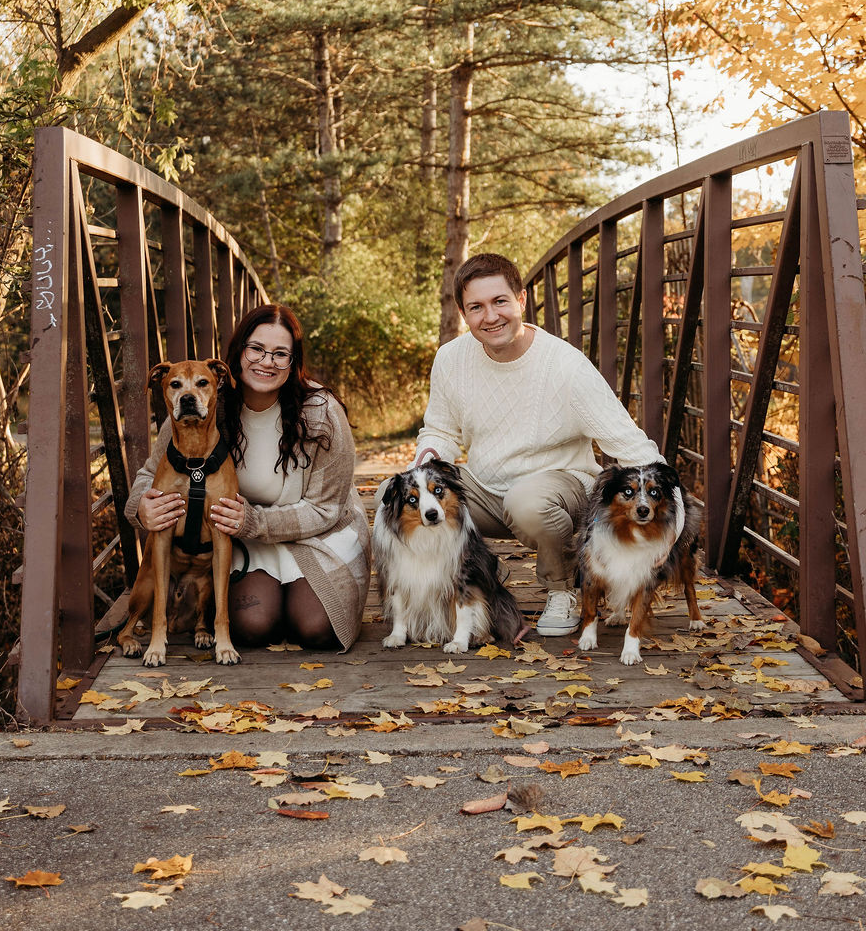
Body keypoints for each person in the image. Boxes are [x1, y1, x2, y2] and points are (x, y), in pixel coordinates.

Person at [409, 252, 662, 637]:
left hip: (561, 487)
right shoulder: (450, 359)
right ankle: (481, 568)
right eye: (476, 307)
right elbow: (441, 431)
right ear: (463, 313)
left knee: (526, 501)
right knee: (396, 496)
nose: (490, 317)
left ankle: (561, 588)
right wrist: (425, 462)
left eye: (500, 302)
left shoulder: (565, 366)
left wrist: (669, 510)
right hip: (485, 485)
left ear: (521, 300)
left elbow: (627, 441)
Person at [124, 304, 370, 651]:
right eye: (256, 349)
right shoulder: (205, 400)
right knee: (254, 626)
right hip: (247, 541)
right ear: (239, 351)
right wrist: (141, 508)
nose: (266, 362)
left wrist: (254, 521)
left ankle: (303, 596)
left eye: (280, 354)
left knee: (318, 628)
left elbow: (325, 509)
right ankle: (277, 598)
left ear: (293, 361)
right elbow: (152, 472)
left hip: (319, 536)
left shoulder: (321, 412)